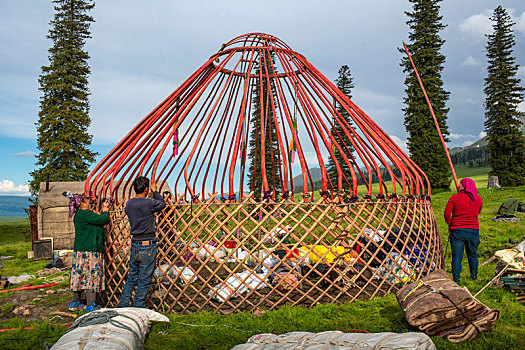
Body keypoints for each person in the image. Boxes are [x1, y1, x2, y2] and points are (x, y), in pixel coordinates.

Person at [119, 176, 166, 308]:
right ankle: (137, 308)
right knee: (144, 279)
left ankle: (123, 305)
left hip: (135, 244)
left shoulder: (129, 204)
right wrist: (156, 192)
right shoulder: (149, 203)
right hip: (147, 245)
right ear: (146, 189)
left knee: (132, 277)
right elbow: (162, 204)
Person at [69, 195, 110, 312]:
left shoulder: (79, 215)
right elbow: (103, 220)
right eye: (87, 201)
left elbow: (95, 222)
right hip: (90, 252)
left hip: (80, 251)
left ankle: (75, 302)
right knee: (91, 276)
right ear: (82, 204)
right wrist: (105, 211)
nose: (90, 203)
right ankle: (91, 304)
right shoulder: (85, 214)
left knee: (79, 275)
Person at [444, 178, 483, 283]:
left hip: (457, 230)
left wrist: (450, 223)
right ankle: (474, 277)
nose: (459, 186)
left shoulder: (454, 198)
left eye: (461, 184)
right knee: (473, 254)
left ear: (465, 186)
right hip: (473, 231)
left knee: (457, 256)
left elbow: (447, 214)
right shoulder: (478, 199)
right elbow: (478, 212)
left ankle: (456, 280)